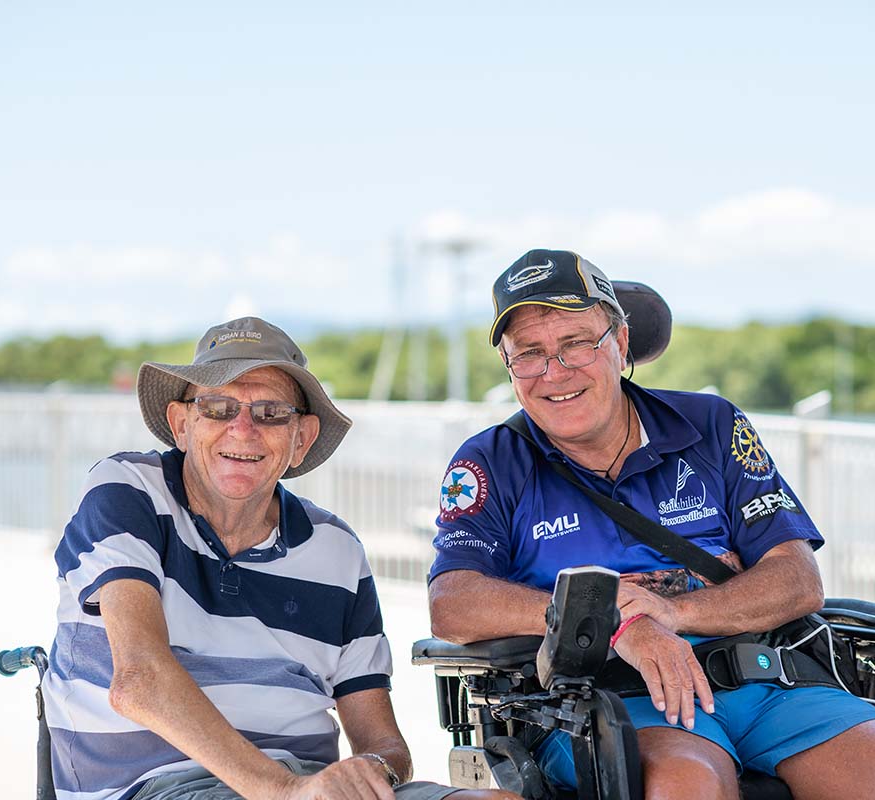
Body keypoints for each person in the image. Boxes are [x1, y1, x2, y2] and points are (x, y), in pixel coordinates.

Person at [427, 250, 875, 799]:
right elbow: (452, 601)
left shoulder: (710, 425)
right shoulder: (490, 461)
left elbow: (798, 580)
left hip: (762, 680)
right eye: (528, 354)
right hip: (603, 700)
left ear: (621, 342)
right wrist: (613, 620)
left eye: (575, 344)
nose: (554, 372)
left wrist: (673, 613)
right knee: (686, 786)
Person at [44, 317, 520, 800]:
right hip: (156, 785)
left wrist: (368, 772)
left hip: (308, 786)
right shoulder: (128, 489)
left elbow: (383, 743)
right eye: (217, 407)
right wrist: (287, 790)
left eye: (270, 412)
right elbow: (138, 680)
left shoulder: (336, 549)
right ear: (181, 425)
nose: (243, 429)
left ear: (302, 438)